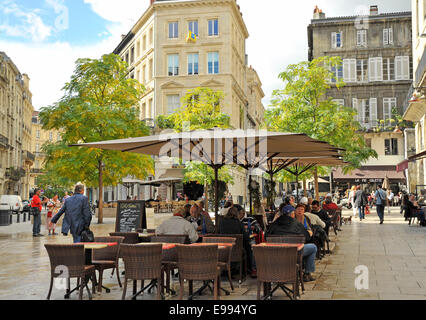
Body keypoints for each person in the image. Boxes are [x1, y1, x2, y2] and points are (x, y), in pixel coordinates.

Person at [266, 205, 317, 282]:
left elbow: (266, 236)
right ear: (292, 213)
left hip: (276, 254)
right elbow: (307, 237)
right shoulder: (296, 223)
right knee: (313, 247)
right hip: (294, 253)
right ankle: (307, 273)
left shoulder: (274, 223)